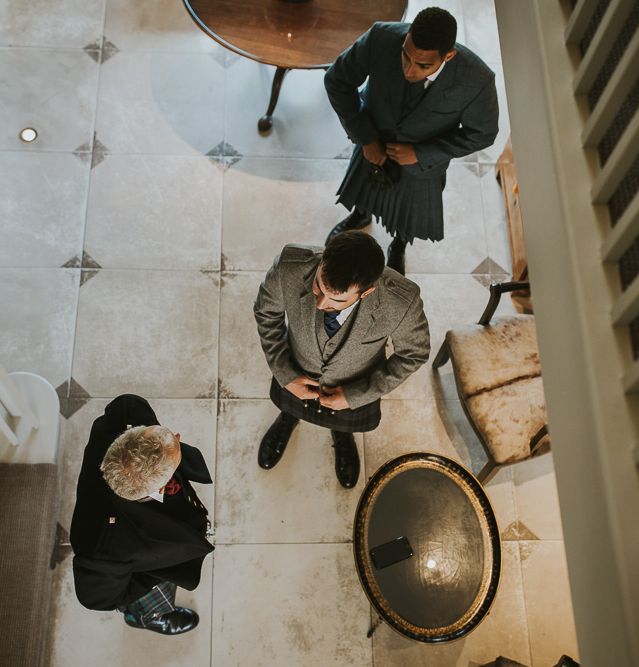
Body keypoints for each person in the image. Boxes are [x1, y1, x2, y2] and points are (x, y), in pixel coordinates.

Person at [324, 7, 499, 274]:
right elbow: (337, 80)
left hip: (422, 168)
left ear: (448, 56)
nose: (409, 69)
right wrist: (367, 138)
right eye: (405, 56)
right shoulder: (380, 37)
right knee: (364, 189)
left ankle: (399, 244)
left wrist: (423, 153)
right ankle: (360, 215)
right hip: (372, 144)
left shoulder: (478, 80)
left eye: (423, 65)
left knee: (407, 217)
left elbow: (483, 133)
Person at [253, 230, 430, 488]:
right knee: (288, 405)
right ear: (323, 259)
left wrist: (353, 396)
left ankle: (342, 436)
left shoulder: (401, 301)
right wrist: (286, 374)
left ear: (366, 292)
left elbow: (414, 354)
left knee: (344, 423)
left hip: (355, 381)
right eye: (319, 287)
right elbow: (266, 313)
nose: (321, 303)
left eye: (336, 300)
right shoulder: (289, 265)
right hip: (297, 366)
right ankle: (287, 419)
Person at [70, 394, 214, 635]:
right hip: (148, 567)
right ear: (158, 487)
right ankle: (148, 617)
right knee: (155, 596)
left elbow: (126, 404)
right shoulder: (101, 550)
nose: (177, 437)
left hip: (160, 536)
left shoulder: (129, 411)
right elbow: (96, 600)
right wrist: (155, 572)